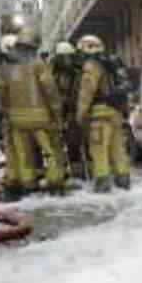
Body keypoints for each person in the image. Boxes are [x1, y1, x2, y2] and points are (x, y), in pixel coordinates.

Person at [0, 33, 65, 196]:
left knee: (23, 153)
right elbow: (50, 90)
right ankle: (54, 182)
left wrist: (6, 113)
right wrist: (56, 113)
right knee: (51, 151)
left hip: (17, 120)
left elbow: (0, 94)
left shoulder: (4, 68)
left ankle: (28, 183)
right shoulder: (38, 65)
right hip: (40, 119)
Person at [75, 35, 130, 193]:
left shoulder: (92, 66)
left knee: (98, 148)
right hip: (116, 113)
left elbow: (87, 92)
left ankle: (102, 183)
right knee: (117, 148)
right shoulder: (111, 64)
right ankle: (123, 180)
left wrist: (80, 114)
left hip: (99, 114)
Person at [51, 41, 87, 180]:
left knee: (74, 145)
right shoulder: (53, 73)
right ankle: (62, 173)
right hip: (60, 113)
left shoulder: (78, 72)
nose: (66, 60)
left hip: (72, 112)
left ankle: (77, 173)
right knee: (59, 146)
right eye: (63, 57)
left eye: (69, 57)